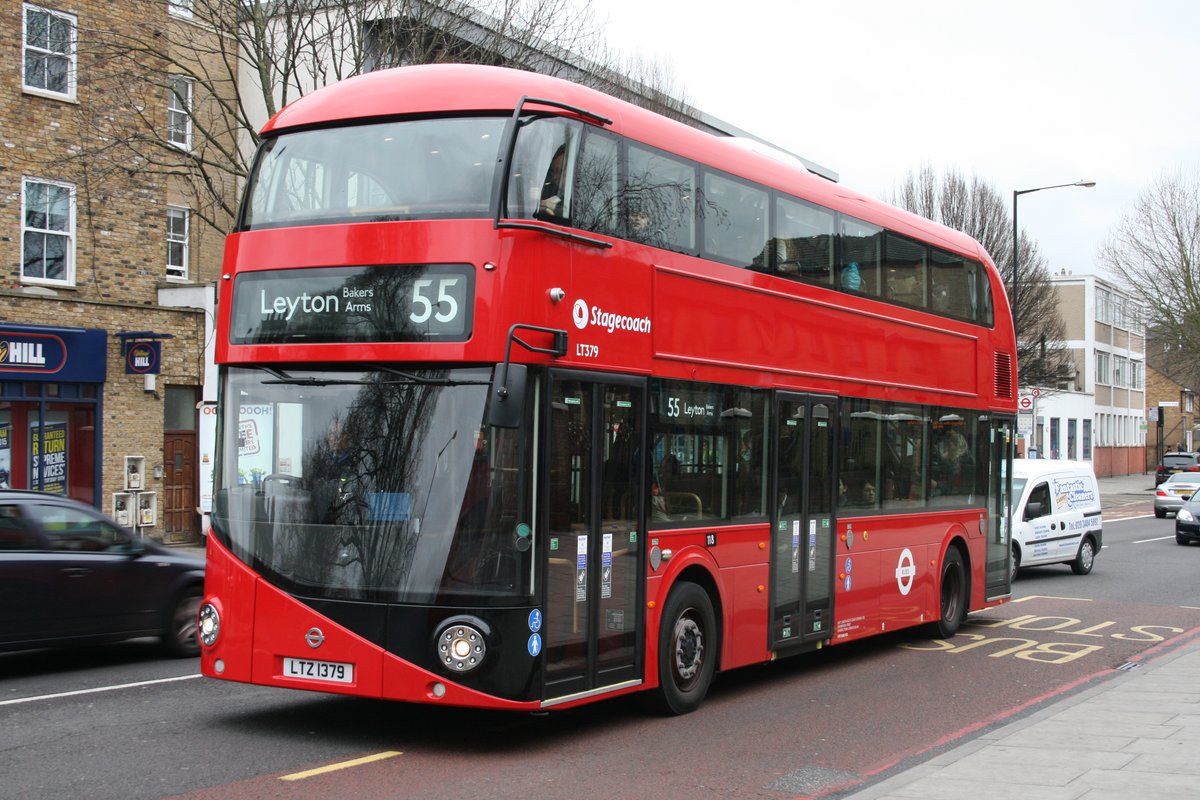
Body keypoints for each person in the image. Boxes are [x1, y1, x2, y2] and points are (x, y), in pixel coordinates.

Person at [536, 145, 566, 220]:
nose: (555, 177)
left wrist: (556, 208)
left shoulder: (580, 194)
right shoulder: (549, 189)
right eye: (553, 172)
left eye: (559, 171)